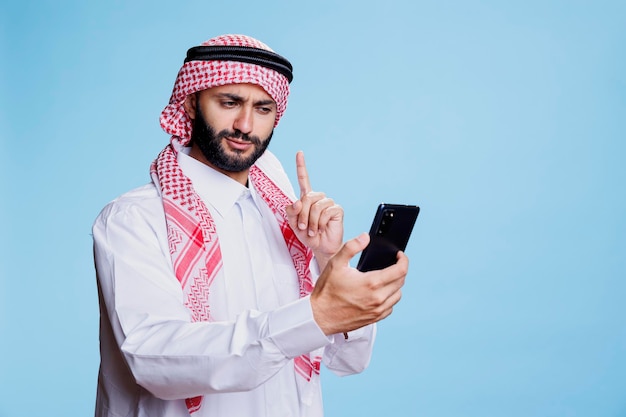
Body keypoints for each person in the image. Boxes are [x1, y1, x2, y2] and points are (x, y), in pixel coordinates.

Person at [92, 34, 409, 417]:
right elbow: (154, 359)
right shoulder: (133, 219)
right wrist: (315, 315)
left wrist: (327, 260)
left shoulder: (285, 212)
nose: (245, 125)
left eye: (263, 108)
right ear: (192, 102)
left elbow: (348, 360)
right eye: (230, 103)